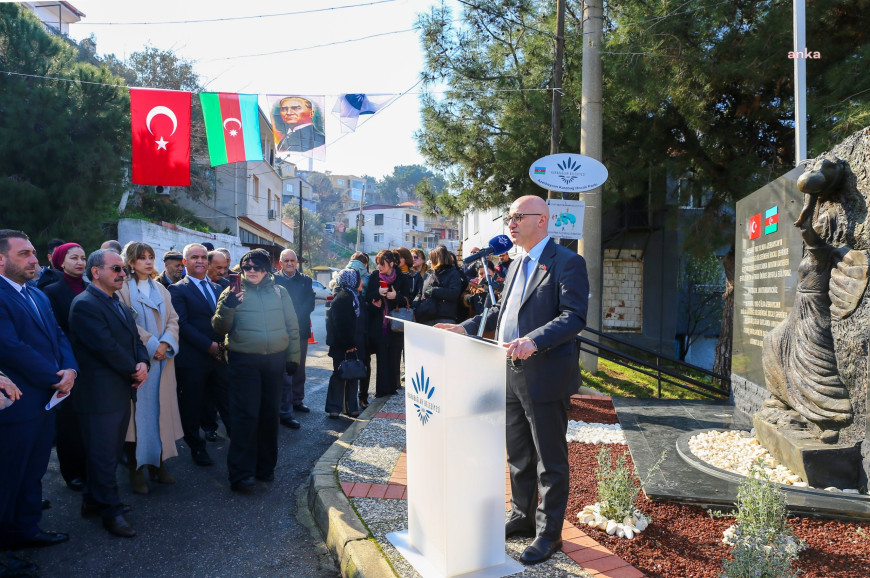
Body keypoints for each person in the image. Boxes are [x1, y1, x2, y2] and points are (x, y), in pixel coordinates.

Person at [436, 195, 589, 565]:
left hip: (545, 374)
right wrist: (465, 326)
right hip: (507, 371)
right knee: (519, 454)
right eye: (510, 216)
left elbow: (574, 317)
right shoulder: (517, 262)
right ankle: (522, 516)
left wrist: (534, 340)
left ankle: (548, 534)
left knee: (549, 460)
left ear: (543, 220)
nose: (511, 222)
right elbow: (500, 314)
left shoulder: (568, 262)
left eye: (519, 216)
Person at [0, 230, 77, 554]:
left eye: (33, 252)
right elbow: (10, 346)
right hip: (17, 406)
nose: (33, 259)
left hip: (45, 402)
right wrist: (53, 376)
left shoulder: (36, 294)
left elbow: (58, 334)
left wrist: (71, 370)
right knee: (8, 481)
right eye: (24, 254)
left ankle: (26, 530)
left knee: (33, 473)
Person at [69, 248, 149, 538]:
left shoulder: (117, 302)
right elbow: (105, 347)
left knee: (110, 452)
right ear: (95, 272)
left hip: (118, 390)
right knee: (103, 455)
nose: (122, 273)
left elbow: (135, 338)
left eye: (122, 269)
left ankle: (92, 501)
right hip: (99, 395)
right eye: (115, 269)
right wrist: (134, 368)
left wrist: (143, 361)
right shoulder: (85, 304)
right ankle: (110, 512)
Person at [212, 249, 301, 492]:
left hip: (274, 362)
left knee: (270, 415)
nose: (252, 271)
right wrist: (229, 306)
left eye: (257, 266)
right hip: (244, 362)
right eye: (247, 267)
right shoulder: (232, 292)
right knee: (245, 416)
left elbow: (292, 327)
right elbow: (219, 327)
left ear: (267, 268)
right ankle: (241, 474)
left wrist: (293, 358)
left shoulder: (279, 292)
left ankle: (265, 468)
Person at [118, 242, 183, 495]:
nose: (147, 261)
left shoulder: (160, 288)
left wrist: (166, 343)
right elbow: (126, 323)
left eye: (150, 257)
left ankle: (159, 465)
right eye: (141, 258)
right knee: (137, 419)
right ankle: (135, 470)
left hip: (163, 363)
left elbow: (173, 319)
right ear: (130, 262)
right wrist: (153, 344)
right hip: (140, 363)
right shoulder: (122, 289)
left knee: (160, 416)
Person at [168, 244, 232, 467]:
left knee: (226, 402)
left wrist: (222, 346)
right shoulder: (177, 290)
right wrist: (208, 346)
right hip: (193, 360)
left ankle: (241, 444)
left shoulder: (217, 288)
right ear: (185, 262)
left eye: (204, 257)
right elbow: (182, 325)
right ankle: (197, 448)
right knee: (192, 407)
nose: (200, 261)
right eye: (194, 257)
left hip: (219, 359)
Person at [41, 242, 89, 492]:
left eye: (83, 257)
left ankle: (91, 468)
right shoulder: (51, 291)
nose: (80, 262)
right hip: (69, 365)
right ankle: (72, 473)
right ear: (60, 261)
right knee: (69, 424)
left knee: (89, 421)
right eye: (73, 258)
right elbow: (57, 332)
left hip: (94, 365)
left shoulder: (92, 287)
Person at [273, 249, 315, 427]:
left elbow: (310, 303)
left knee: (298, 367)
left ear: (297, 262)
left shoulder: (306, 280)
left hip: (300, 329)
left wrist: (295, 319)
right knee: (282, 369)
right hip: (279, 329)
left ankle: (297, 400)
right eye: (286, 261)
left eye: (293, 260)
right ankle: (283, 405)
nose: (290, 263)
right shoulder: (273, 280)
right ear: (280, 263)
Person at [364, 250, 410, 397]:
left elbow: (408, 299)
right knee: (382, 356)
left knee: (394, 356)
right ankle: (381, 391)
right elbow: (367, 298)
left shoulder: (402, 278)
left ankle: (392, 388)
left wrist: (397, 296)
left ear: (391, 263)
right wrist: (378, 293)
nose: (379, 267)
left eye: (382, 263)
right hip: (379, 324)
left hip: (396, 324)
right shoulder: (374, 277)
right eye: (377, 263)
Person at [325, 269, 364, 418]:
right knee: (339, 375)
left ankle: (351, 407)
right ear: (351, 281)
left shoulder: (355, 297)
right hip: (343, 345)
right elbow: (340, 324)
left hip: (353, 344)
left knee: (353, 375)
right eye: (358, 279)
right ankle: (334, 408)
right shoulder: (343, 298)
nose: (361, 282)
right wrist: (348, 344)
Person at [346, 254, 372, 409]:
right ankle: (363, 397)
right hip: (364, 323)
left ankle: (348, 401)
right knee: (364, 362)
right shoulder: (367, 276)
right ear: (366, 263)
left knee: (348, 362)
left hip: (349, 325)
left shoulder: (343, 273)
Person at [414, 245, 462, 326]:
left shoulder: (453, 273)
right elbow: (421, 292)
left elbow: (454, 293)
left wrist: (433, 291)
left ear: (437, 259)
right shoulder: (428, 273)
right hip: (426, 316)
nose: (430, 261)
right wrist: (415, 306)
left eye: (431, 258)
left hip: (444, 317)